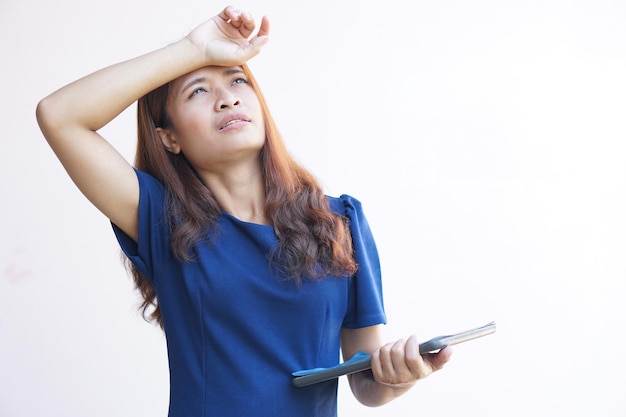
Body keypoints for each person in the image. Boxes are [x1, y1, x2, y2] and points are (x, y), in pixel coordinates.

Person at [36, 5, 452, 416]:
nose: (226, 99)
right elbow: (60, 115)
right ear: (169, 138)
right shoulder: (164, 220)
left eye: (237, 80)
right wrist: (193, 49)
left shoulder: (338, 220)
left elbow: (365, 381)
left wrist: (397, 375)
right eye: (198, 90)